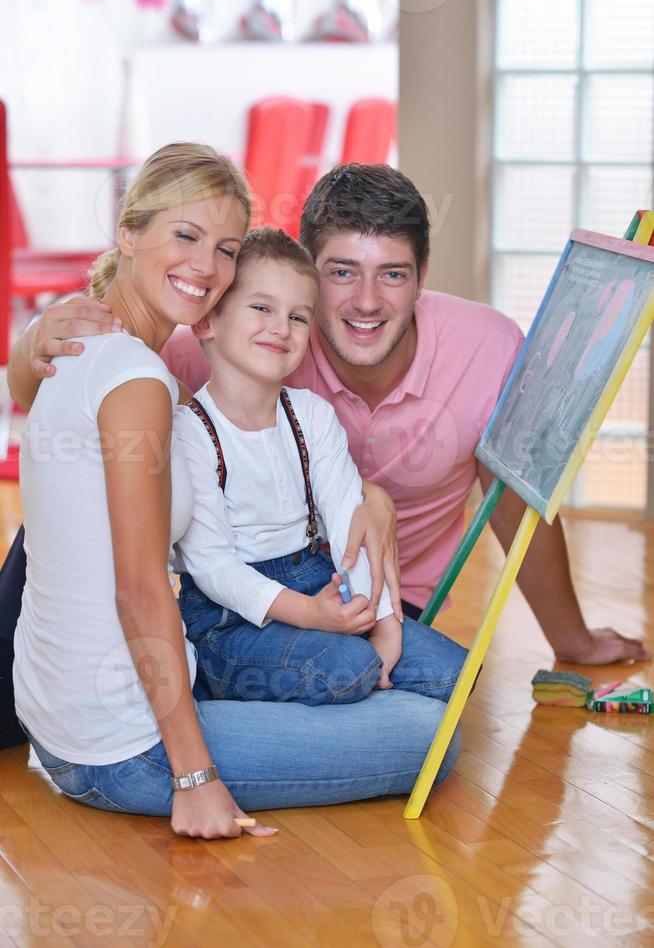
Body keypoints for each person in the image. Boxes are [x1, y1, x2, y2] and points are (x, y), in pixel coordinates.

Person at [7, 165, 648, 665]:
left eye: (392, 274)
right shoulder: (253, 342)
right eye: (341, 272)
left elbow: (515, 501)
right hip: (246, 596)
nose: (366, 302)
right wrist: (33, 341)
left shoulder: (489, 347)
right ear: (307, 275)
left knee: (438, 693)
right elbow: (69, 397)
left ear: (422, 276)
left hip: (384, 598)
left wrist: (573, 639)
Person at [8, 144, 461, 828]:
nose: (206, 268)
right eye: (184, 236)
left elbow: (35, 394)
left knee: (436, 684)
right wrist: (194, 776)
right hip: (121, 748)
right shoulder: (137, 382)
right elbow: (139, 589)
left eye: (225, 249)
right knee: (435, 737)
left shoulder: (88, 346)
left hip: (64, 715)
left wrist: (369, 496)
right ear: (128, 232)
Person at [172, 226, 468, 704]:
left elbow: (351, 523)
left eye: (298, 317)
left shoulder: (311, 414)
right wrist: (312, 616)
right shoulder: (189, 432)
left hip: (317, 579)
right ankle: (225, 685)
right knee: (347, 669)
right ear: (207, 321)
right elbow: (211, 567)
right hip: (231, 616)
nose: (280, 328)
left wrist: (387, 621)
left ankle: (350, 708)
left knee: (453, 672)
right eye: (262, 308)